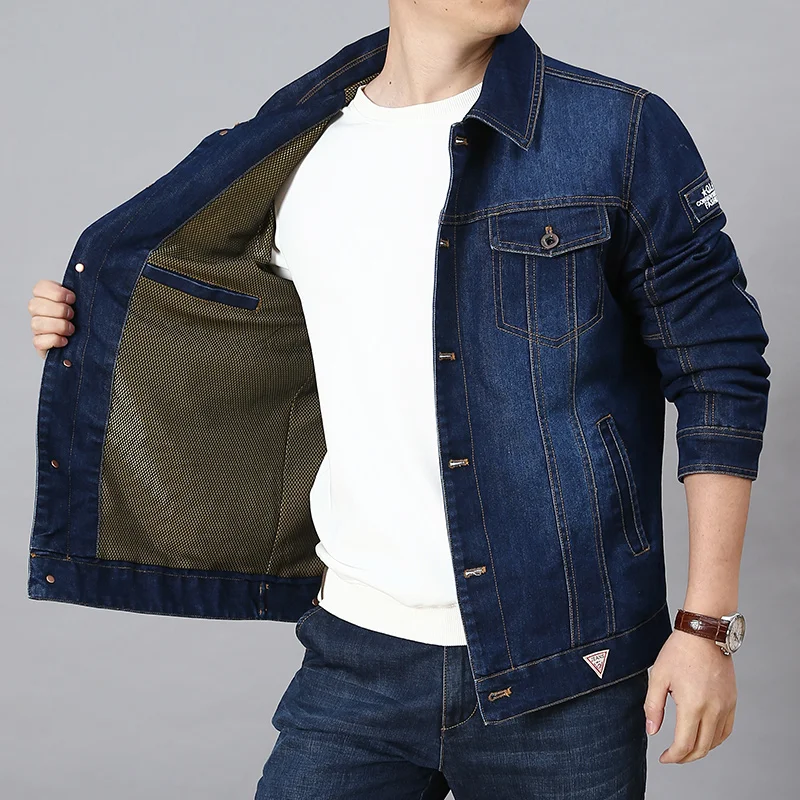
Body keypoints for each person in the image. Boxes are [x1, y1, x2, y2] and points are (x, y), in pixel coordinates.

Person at [26, 2, 770, 798]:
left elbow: (719, 370)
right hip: (355, 652)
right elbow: (224, 322)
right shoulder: (299, 147)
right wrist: (89, 319)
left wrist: (706, 628)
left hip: (567, 662)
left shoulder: (616, 132)